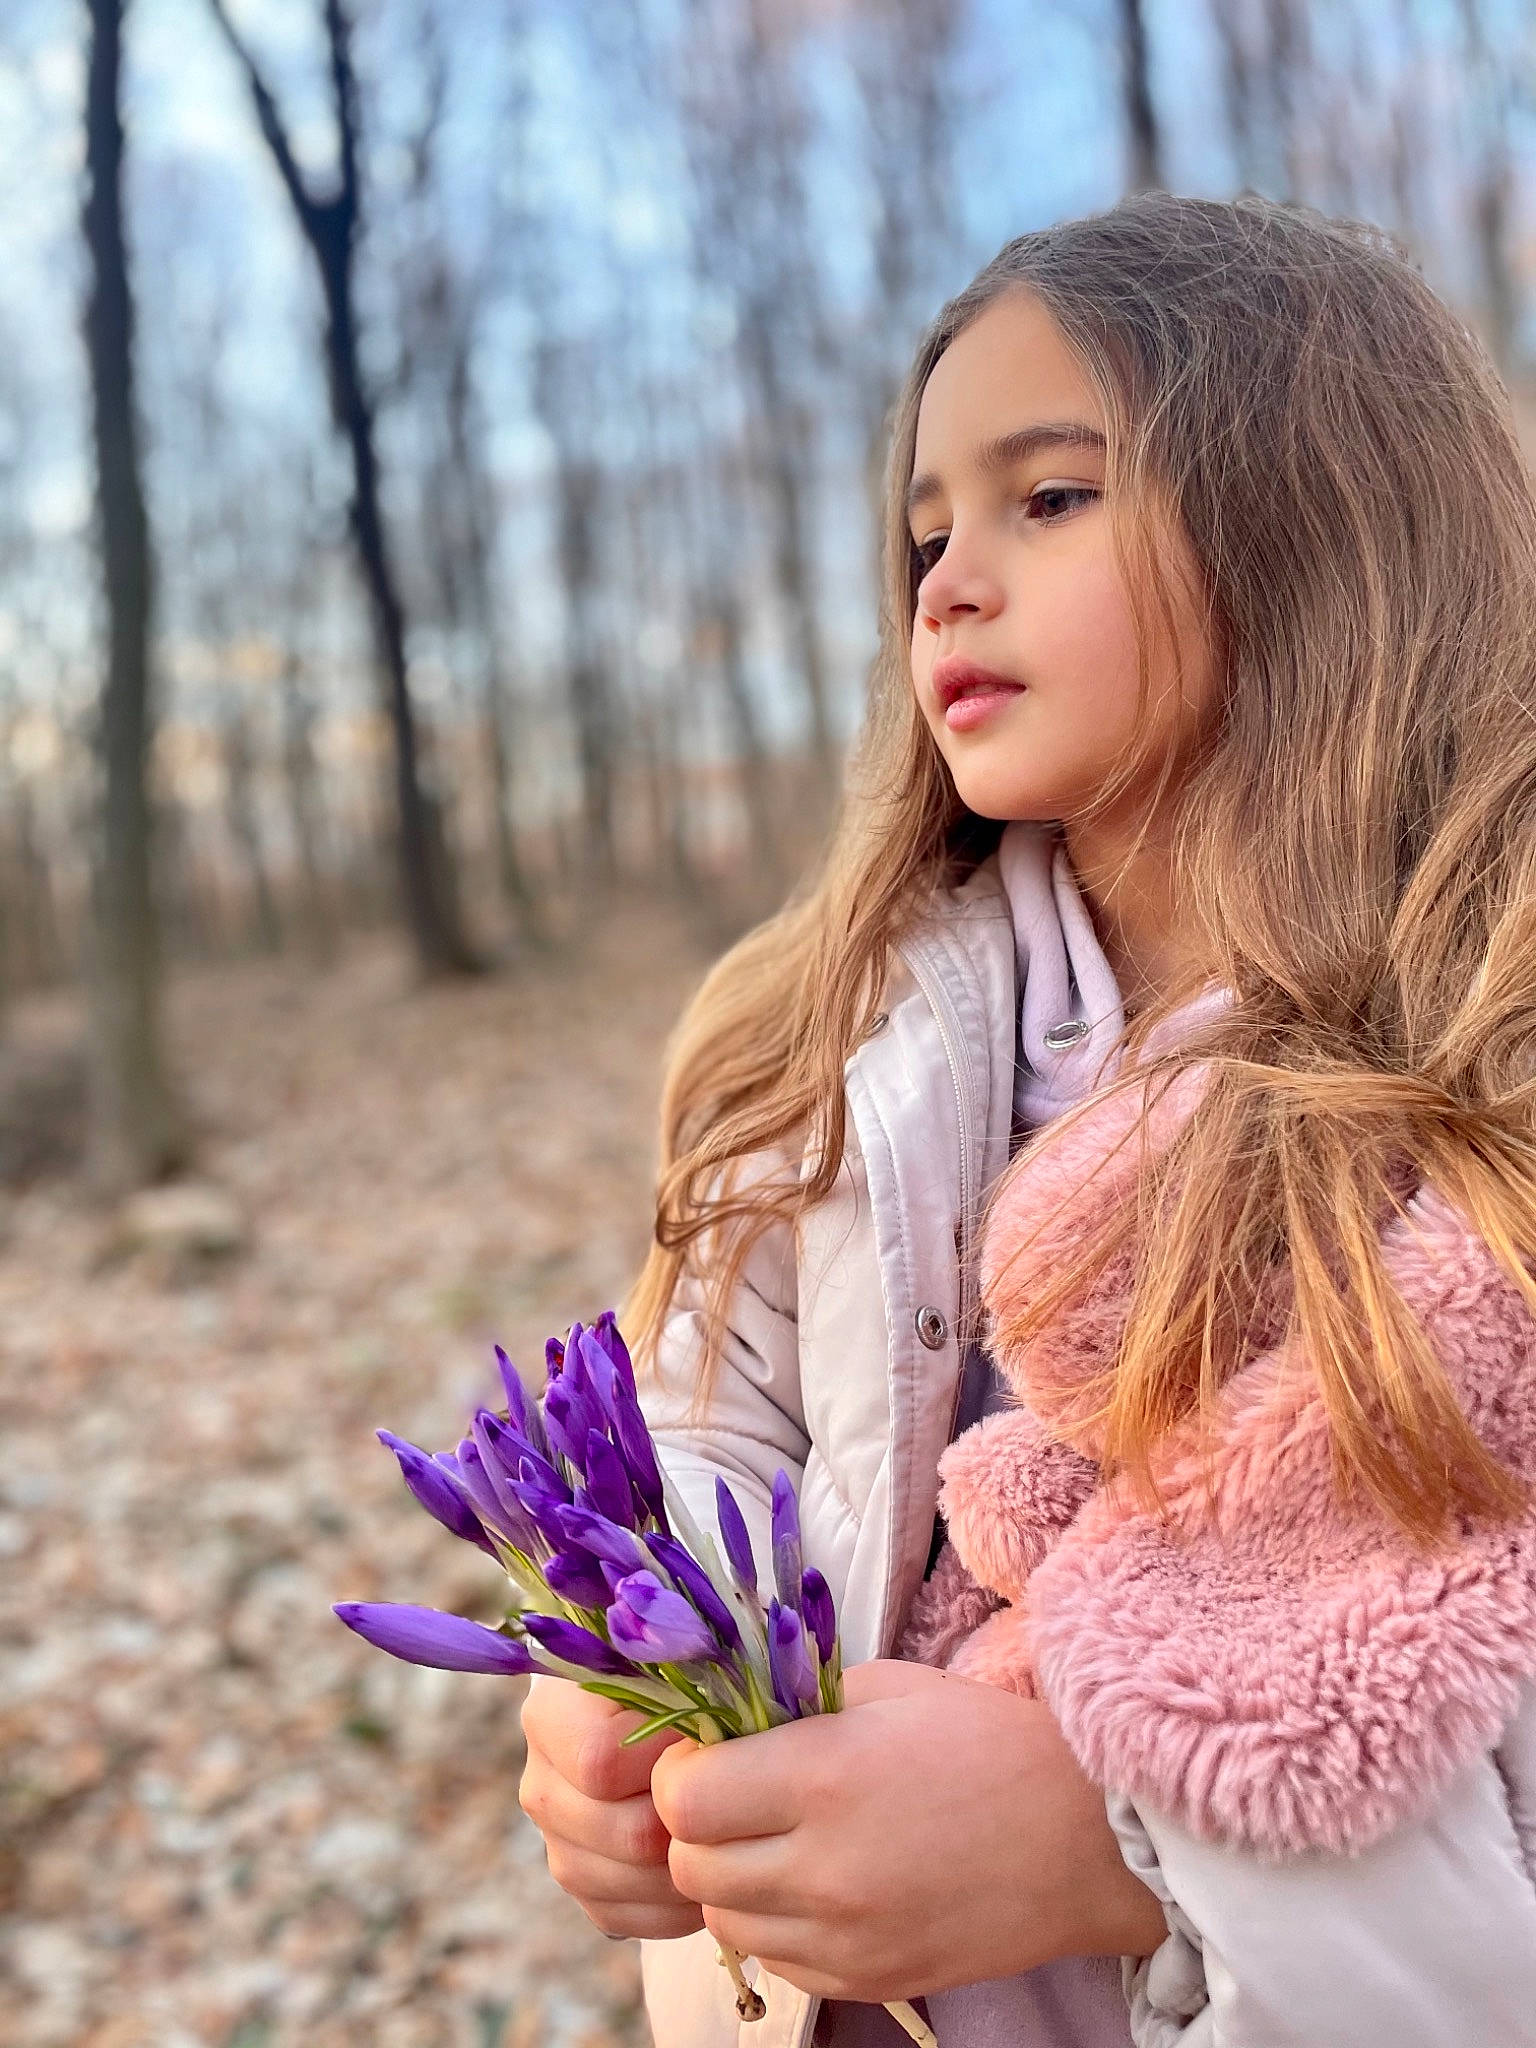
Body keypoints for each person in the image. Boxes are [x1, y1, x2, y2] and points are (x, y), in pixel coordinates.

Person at [515, 189, 1536, 2047]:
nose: (943, 585)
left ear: (1325, 522)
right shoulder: (827, 1037)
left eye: (1048, 497)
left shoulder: (1488, 1079)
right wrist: (628, 1684)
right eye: (925, 532)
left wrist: (1119, 1853)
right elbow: (711, 1430)